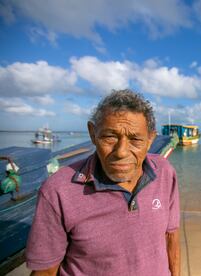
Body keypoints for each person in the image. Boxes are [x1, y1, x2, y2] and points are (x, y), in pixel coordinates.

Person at [26, 89, 181, 276]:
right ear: (93, 134)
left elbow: (171, 236)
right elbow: (45, 272)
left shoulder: (164, 172)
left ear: (150, 140)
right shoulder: (58, 191)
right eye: (110, 136)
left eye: (135, 139)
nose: (121, 151)